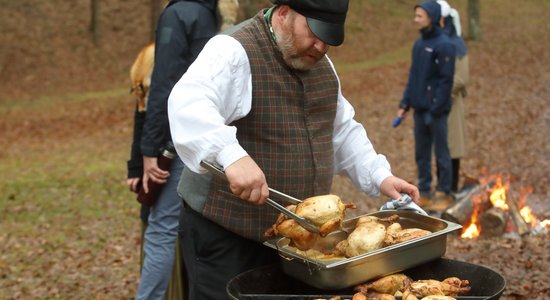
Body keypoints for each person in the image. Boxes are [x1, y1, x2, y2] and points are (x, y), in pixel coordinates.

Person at [167, 0, 420, 298]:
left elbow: (340, 130)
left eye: (329, 38)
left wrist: (380, 176)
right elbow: (188, 102)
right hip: (226, 239)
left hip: (292, 244)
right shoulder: (233, 50)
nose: (321, 46)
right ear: (285, 13)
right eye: (314, 32)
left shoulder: (321, 65)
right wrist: (231, 156)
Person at [126, 0, 220, 299]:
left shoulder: (179, 14)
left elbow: (164, 87)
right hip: (215, 139)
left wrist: (150, 150)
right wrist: (135, 163)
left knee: (161, 229)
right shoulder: (213, 12)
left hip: (179, 141)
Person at [396, 0, 456, 211]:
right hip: (419, 111)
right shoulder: (419, 44)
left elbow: (446, 81)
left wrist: (436, 108)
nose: (416, 20)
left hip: (436, 112)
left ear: (431, 17)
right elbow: (414, 77)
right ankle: (425, 192)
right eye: (415, 16)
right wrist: (405, 104)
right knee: (421, 155)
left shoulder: (445, 45)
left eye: (419, 16)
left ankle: (444, 192)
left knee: (441, 153)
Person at [437, 0, 469, 194]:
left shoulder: (457, 46)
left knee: (452, 149)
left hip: (451, 104)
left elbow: (461, 78)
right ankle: (442, 190)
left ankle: (452, 191)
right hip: (436, 106)